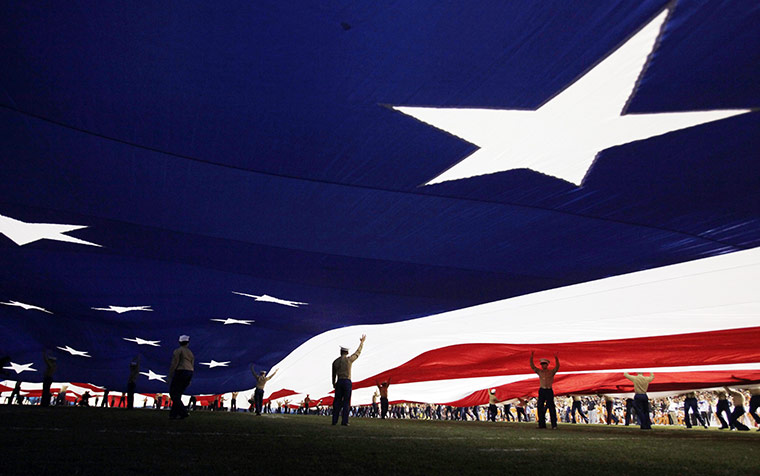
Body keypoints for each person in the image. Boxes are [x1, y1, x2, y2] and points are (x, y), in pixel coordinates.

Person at [331, 334, 365, 426]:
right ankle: (344, 421)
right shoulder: (349, 360)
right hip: (347, 382)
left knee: (337, 401)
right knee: (346, 402)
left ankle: (334, 420)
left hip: (339, 381)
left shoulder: (335, 362)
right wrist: (362, 343)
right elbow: (357, 353)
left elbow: (333, 374)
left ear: (340, 352)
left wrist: (334, 383)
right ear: (347, 352)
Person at [529, 351, 559, 429]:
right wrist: (531, 357)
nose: (543, 366)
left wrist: (556, 358)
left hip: (549, 390)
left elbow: (557, 367)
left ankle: (554, 425)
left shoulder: (551, 372)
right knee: (539, 406)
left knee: (551, 407)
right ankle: (542, 424)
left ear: (547, 365)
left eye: (544, 364)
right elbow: (532, 367)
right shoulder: (540, 372)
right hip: (542, 390)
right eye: (542, 364)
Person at [168, 335, 194, 420]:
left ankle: (183, 411)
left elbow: (174, 363)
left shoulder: (178, 351)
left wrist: (170, 375)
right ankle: (173, 414)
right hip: (189, 372)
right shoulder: (190, 353)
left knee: (173, 393)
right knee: (178, 394)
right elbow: (192, 364)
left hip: (181, 371)